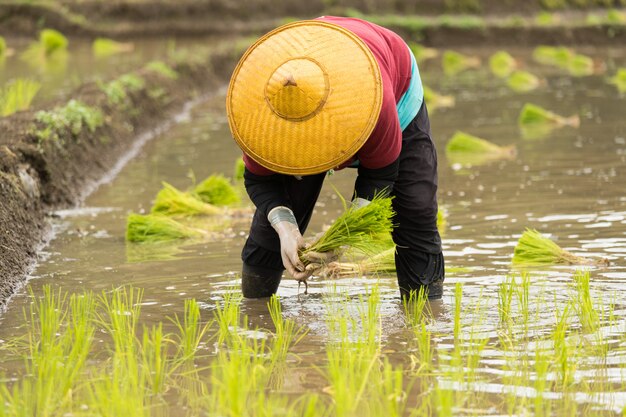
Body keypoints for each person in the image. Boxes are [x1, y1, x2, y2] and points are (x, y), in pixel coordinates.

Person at [226, 16, 444, 300]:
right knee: (279, 214)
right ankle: (255, 307)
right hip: (306, 76)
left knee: (415, 207)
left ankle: (423, 315)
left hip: (389, 83)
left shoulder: (377, 108)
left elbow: (379, 178)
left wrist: (341, 236)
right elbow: (259, 180)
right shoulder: (258, 120)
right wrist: (286, 229)